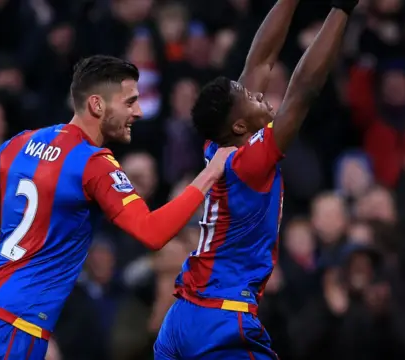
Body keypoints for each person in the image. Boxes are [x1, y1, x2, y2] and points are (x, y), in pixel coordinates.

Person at [0, 55, 235, 359]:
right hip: (17, 321)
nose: (139, 112)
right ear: (97, 105)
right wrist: (210, 172)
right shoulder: (93, 163)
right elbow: (152, 232)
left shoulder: (20, 143)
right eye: (129, 102)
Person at [153, 0, 359, 358]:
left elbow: (259, 61)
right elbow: (304, 90)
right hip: (221, 317)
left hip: (183, 317)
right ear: (238, 125)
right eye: (249, 97)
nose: (257, 93)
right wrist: (343, 8)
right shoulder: (250, 161)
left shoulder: (218, 146)